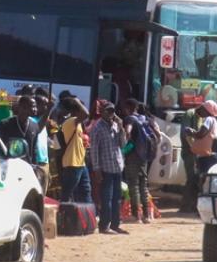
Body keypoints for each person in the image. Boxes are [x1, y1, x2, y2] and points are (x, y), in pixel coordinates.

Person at [89, 102, 128, 234]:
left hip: (117, 167)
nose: (111, 113)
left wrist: (121, 127)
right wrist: (96, 169)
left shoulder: (116, 125)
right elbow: (94, 150)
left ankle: (115, 224)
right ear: (102, 112)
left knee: (117, 198)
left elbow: (123, 144)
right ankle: (104, 225)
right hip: (105, 168)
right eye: (108, 111)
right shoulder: (97, 128)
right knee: (106, 199)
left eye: (112, 111)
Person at [121, 99, 157, 224]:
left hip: (133, 156)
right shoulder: (144, 119)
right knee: (143, 184)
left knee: (133, 184)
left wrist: (126, 139)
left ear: (128, 108)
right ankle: (147, 215)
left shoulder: (129, 119)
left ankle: (137, 216)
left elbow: (128, 130)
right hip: (144, 156)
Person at [0, 95, 46, 188]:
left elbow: (34, 150)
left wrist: (35, 168)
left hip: (27, 169)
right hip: (10, 168)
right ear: (23, 107)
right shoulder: (6, 124)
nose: (35, 109)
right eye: (33, 106)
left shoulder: (34, 126)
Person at [57, 95, 91, 203]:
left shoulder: (77, 123)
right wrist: (76, 101)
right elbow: (86, 114)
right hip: (72, 164)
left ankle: (85, 217)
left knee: (85, 191)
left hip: (80, 163)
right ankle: (63, 216)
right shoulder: (70, 121)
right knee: (67, 194)